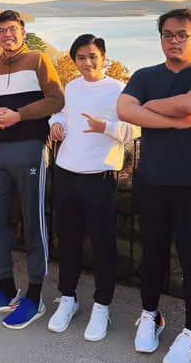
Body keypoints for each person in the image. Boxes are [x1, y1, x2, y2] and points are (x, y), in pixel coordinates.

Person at [116, 8, 191, 363]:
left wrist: (148, 107)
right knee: (153, 255)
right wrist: (176, 122)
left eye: (182, 34)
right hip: (151, 180)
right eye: (167, 34)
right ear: (160, 37)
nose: (174, 40)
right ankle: (151, 315)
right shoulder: (145, 74)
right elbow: (124, 110)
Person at [0, 10, 64, 330]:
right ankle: (7, 290)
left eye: (12, 29)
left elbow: (56, 100)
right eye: (1, 30)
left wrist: (18, 115)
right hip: (0, 151)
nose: (6, 35)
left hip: (31, 147)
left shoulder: (38, 59)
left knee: (33, 221)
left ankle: (35, 297)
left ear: (22, 32)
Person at [46, 34, 138, 341]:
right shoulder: (72, 87)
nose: (87, 63)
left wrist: (106, 128)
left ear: (104, 57)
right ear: (74, 60)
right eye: (81, 57)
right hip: (66, 174)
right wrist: (54, 124)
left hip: (100, 177)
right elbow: (62, 113)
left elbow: (134, 130)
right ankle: (68, 298)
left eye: (93, 56)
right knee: (68, 240)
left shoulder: (118, 89)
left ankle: (102, 306)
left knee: (102, 244)